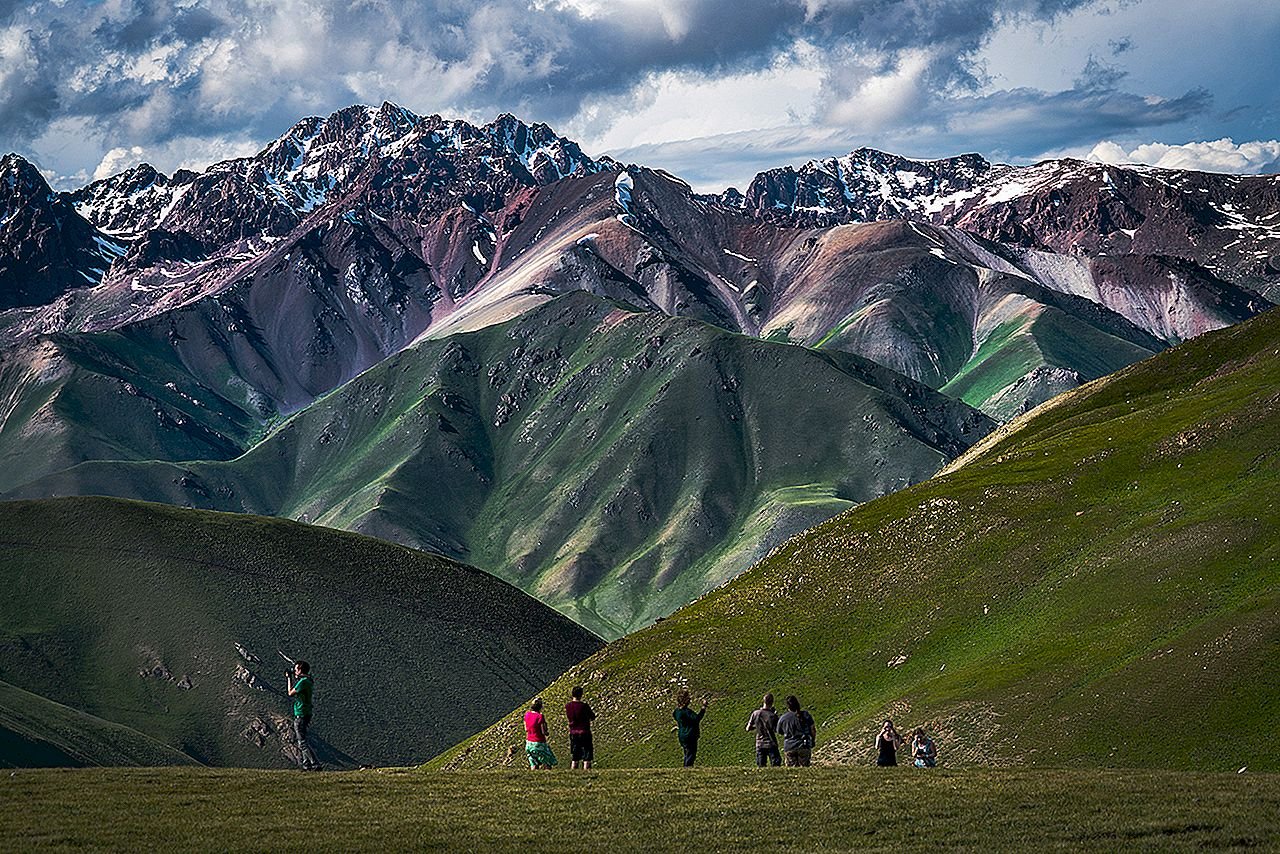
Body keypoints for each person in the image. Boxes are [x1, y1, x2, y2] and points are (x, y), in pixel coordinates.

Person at [285, 660, 319, 770]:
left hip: (301, 713)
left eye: (295, 669)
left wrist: (289, 678)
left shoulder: (303, 682)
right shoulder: (309, 680)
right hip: (307, 712)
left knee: (302, 742)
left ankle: (315, 764)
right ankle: (306, 765)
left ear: (299, 670)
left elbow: (290, 693)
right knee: (303, 738)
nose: (294, 671)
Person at [776, 695, 816, 767]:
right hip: (803, 745)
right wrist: (813, 740)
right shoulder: (805, 715)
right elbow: (813, 729)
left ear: (788, 706)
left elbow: (779, 731)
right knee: (804, 768)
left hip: (789, 746)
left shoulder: (783, 718)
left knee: (791, 770)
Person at [565, 686, 597, 770]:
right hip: (584, 731)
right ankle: (586, 772)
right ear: (581, 694)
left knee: (575, 756)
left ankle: (573, 772)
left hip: (573, 732)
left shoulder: (568, 706)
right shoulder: (584, 706)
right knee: (587, 755)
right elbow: (592, 716)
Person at [672, 690, 707, 767]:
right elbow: (697, 718)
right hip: (690, 734)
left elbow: (674, 716)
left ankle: (686, 767)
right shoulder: (687, 712)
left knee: (686, 753)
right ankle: (688, 768)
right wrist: (703, 708)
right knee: (691, 753)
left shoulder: (677, 712)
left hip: (682, 735)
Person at [745, 693, 781, 767]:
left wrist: (757, 726)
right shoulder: (772, 716)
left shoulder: (755, 713)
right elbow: (777, 729)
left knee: (761, 766)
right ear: (772, 702)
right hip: (771, 743)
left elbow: (748, 728)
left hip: (760, 743)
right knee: (776, 765)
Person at [524, 697, 557, 770]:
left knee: (534, 764)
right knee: (547, 763)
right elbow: (543, 731)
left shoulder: (527, 715)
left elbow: (526, 729)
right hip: (539, 743)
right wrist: (547, 732)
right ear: (540, 707)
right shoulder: (540, 716)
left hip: (529, 743)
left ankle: (533, 779)